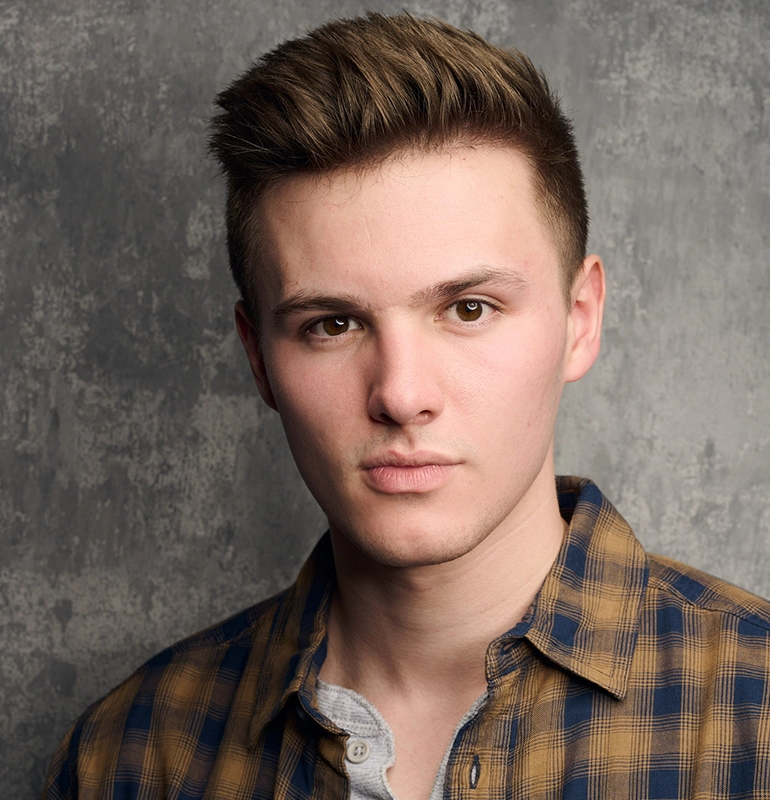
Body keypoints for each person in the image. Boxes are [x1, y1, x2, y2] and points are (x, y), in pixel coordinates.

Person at [41, 13, 770, 800]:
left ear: (580, 319)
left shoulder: (755, 713)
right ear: (258, 356)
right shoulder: (131, 757)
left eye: (468, 309)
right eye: (333, 324)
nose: (401, 394)